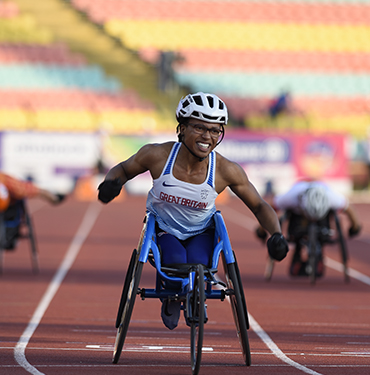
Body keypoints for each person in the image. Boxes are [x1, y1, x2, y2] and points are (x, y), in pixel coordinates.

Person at [97, 92, 289, 330]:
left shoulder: (226, 170)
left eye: (215, 130)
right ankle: (171, 295)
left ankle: (193, 297)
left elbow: (259, 205)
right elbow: (123, 169)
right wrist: (110, 184)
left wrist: (276, 234)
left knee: (200, 265)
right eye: (199, 128)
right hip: (164, 230)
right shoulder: (157, 156)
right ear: (182, 128)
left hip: (202, 232)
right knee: (175, 263)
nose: (207, 136)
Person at [259, 180, 362, 277]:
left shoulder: (331, 198)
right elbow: (268, 209)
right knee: (296, 223)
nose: (312, 219)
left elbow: (349, 209)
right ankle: (298, 250)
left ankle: (318, 248)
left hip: (323, 219)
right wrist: (261, 230)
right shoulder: (291, 197)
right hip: (298, 219)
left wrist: (355, 227)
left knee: (324, 225)